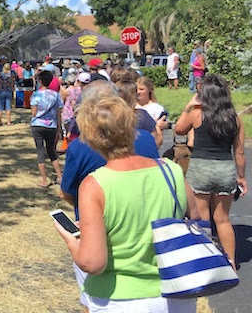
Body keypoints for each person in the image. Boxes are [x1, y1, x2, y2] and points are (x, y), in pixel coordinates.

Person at [55, 94, 198, 313]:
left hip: (119, 298)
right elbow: (196, 220)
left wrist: (72, 241)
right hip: (176, 291)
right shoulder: (171, 170)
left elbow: (93, 263)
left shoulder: (94, 185)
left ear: (90, 136)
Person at [175, 75, 247, 268]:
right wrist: (241, 177)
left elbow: (179, 130)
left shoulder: (197, 113)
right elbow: (239, 152)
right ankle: (231, 260)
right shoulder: (235, 118)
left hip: (201, 168)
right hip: (225, 168)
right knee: (223, 219)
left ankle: (206, 260)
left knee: (202, 217)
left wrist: (188, 106)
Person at [30, 71, 63, 187]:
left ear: (40, 81)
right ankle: (59, 176)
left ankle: (44, 179)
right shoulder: (56, 95)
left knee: (40, 152)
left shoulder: (36, 95)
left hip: (38, 125)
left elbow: (34, 113)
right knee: (52, 152)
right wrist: (59, 128)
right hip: (51, 126)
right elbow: (59, 113)